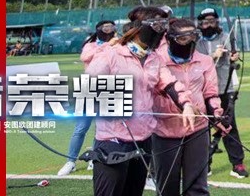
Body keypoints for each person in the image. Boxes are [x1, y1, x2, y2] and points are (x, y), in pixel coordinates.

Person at [85, 12, 198, 196]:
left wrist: (186, 105)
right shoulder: (111, 54)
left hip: (143, 140)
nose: (160, 31)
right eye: (156, 25)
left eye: (163, 26)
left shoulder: (154, 58)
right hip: (113, 141)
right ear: (139, 28)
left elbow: (169, 83)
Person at [151, 18, 227, 196]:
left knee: (197, 186)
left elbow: (210, 92)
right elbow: (158, 88)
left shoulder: (205, 61)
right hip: (165, 130)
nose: (190, 42)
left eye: (193, 37)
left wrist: (216, 114)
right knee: (166, 186)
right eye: (183, 39)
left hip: (198, 129)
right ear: (170, 39)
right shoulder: (157, 60)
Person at [57, 19, 115, 176]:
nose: (109, 30)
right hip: (88, 87)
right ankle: (71, 161)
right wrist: (107, 46)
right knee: (81, 128)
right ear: (99, 29)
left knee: (101, 128)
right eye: (106, 27)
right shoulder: (91, 45)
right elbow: (85, 57)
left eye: (112, 27)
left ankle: (94, 158)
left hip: (108, 87)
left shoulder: (116, 45)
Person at [196, 8, 248, 179]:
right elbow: (195, 63)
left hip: (224, 88)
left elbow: (234, 55)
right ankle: (204, 165)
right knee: (202, 129)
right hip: (203, 91)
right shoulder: (196, 42)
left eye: (212, 21)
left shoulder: (226, 37)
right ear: (200, 24)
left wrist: (234, 57)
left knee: (229, 126)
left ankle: (237, 163)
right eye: (205, 22)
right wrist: (212, 56)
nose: (209, 25)